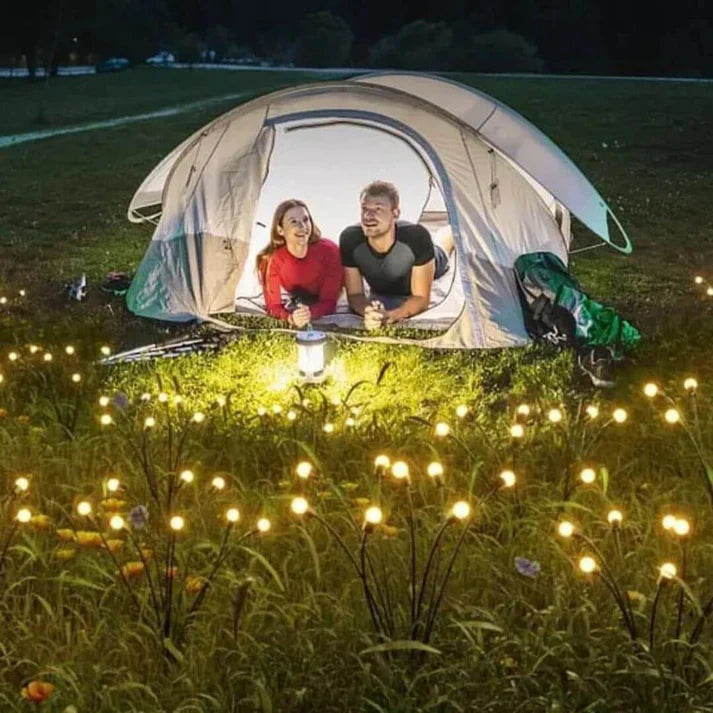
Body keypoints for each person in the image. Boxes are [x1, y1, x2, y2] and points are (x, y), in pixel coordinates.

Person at [339, 181, 454, 330]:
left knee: (444, 243)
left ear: (395, 213)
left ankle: (450, 231)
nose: (368, 216)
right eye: (364, 209)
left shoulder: (417, 238)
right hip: (386, 278)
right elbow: (354, 295)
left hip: (426, 263)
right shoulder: (350, 239)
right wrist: (368, 312)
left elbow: (421, 298)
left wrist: (392, 316)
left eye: (378, 209)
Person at [257, 199, 342, 328]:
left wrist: (310, 313)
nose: (302, 226)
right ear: (280, 230)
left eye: (306, 220)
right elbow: (273, 306)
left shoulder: (330, 252)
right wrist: (290, 318)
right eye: (293, 222)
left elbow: (329, 302)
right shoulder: (270, 260)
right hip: (299, 295)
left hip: (323, 293)